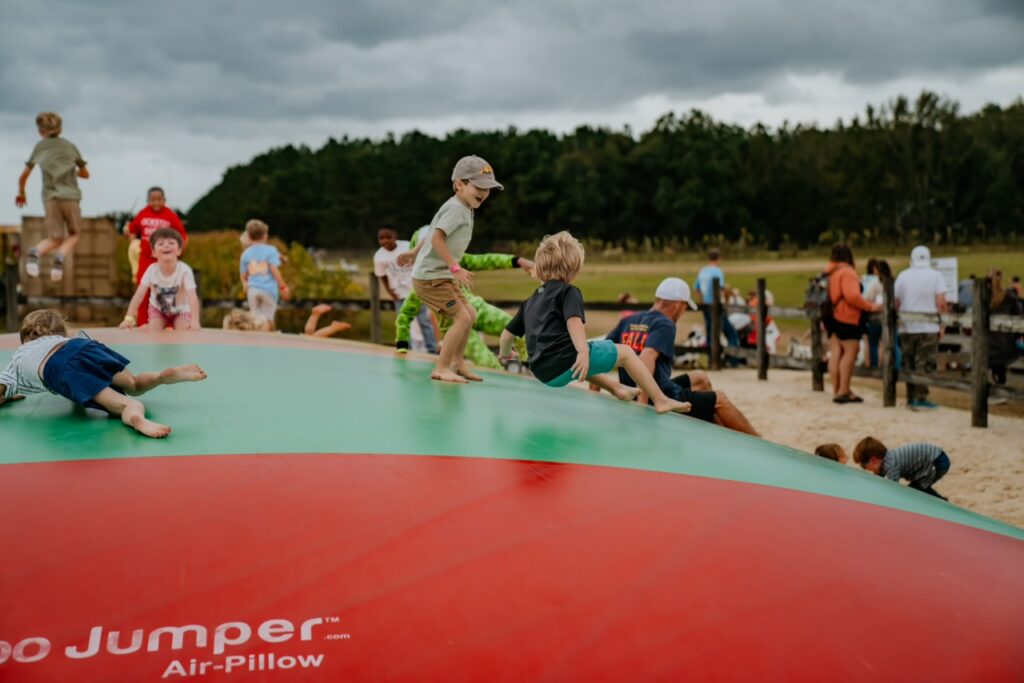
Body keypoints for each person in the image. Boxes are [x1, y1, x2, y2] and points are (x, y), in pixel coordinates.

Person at [499, 232, 691, 415]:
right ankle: (660, 400)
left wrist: (506, 354)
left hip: (541, 371)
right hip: (562, 364)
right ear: (574, 269)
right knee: (626, 353)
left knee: (576, 362)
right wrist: (582, 351)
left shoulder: (530, 301)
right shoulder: (568, 291)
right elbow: (573, 321)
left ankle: (616, 388)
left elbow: (507, 334)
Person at [0, 310, 207, 438]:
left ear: (26, 338)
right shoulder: (66, 339)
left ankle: (137, 419)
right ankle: (162, 376)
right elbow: (84, 362)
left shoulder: (20, 355)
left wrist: (6, 396)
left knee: (127, 404)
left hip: (60, 367)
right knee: (133, 384)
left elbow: (2, 385)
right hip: (84, 346)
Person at [604, 278, 759, 435]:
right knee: (720, 399)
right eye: (685, 307)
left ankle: (712, 431)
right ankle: (760, 444)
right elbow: (647, 357)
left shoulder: (628, 320)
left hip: (640, 390)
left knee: (700, 378)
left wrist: (594, 392)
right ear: (677, 305)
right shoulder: (665, 324)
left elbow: (602, 351)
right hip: (658, 394)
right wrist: (642, 405)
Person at [407, 155, 503, 383]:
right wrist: (454, 267)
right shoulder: (456, 209)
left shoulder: (463, 206)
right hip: (431, 279)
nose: (484, 193)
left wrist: (413, 252)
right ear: (459, 184)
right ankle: (441, 367)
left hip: (440, 276)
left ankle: (458, 363)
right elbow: (438, 239)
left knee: (470, 314)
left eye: (488, 189)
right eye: (479, 187)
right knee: (461, 318)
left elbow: (431, 230)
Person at [395, 225, 532, 369]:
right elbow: (405, 314)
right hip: (455, 324)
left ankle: (531, 364)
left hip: (477, 309)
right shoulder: (422, 284)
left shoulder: (455, 261)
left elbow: (485, 260)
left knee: (517, 331)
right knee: (488, 363)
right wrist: (402, 344)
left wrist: (517, 261)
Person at [16, 112, 89, 282]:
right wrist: (73, 174)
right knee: (74, 234)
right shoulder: (69, 146)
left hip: (50, 198)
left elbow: (23, 176)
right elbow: (85, 174)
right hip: (70, 196)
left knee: (55, 239)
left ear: (40, 131)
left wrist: (21, 193)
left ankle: (35, 253)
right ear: (60, 129)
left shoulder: (40, 147)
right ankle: (59, 259)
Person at [823, 243, 881, 403]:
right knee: (850, 352)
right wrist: (870, 306)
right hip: (847, 316)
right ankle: (843, 390)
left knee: (836, 353)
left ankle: (837, 388)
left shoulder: (829, 272)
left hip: (831, 316)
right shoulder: (847, 272)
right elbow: (853, 296)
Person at [126, 187, 188, 327]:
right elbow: (132, 230)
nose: (156, 203)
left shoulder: (170, 215)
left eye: (159, 199)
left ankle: (168, 324)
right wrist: (127, 231)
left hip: (164, 260)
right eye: (153, 200)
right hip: (146, 258)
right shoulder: (143, 213)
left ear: (164, 200)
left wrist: (179, 252)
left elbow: (182, 235)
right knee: (143, 288)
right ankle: (142, 322)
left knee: (167, 289)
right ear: (148, 201)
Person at [894, 246, 947, 410]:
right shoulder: (936, 276)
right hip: (928, 327)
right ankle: (921, 396)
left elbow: (896, 302)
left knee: (908, 361)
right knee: (924, 362)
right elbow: (941, 303)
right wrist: (942, 324)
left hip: (906, 327)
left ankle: (910, 396)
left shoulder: (902, 276)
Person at [120, 229, 200, 331]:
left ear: (179, 250)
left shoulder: (185, 271)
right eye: (161, 243)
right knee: (154, 332)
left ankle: (171, 327)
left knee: (184, 332)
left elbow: (192, 296)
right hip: (158, 310)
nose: (166, 246)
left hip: (181, 311)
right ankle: (148, 327)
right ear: (153, 252)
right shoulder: (151, 270)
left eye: (171, 243)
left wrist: (195, 321)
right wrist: (129, 318)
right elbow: (139, 294)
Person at [375, 226, 437, 353]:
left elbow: (421, 262)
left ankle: (432, 349)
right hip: (399, 293)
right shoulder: (379, 256)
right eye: (381, 238)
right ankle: (404, 348)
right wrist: (390, 291)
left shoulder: (406, 246)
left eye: (388, 237)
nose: (385, 241)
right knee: (402, 322)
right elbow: (382, 276)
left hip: (416, 291)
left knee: (424, 321)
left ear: (395, 236)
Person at [853, 436, 951, 500]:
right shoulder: (888, 459)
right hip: (935, 458)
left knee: (915, 491)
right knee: (919, 487)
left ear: (874, 460)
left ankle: (941, 503)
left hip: (936, 462)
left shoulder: (891, 466)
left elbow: (893, 490)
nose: (865, 469)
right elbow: (882, 475)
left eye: (864, 466)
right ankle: (941, 501)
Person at [240, 219, 289, 329]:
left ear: (249, 236)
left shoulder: (245, 254)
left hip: (252, 291)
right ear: (265, 236)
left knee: (254, 317)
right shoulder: (271, 250)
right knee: (268, 318)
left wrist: (244, 284)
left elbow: (243, 275)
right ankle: (267, 340)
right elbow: (274, 269)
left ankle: (253, 339)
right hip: (268, 290)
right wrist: (283, 287)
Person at [694, 248, 739, 349]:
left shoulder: (703, 271)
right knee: (731, 333)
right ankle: (733, 360)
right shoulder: (717, 271)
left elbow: (697, 289)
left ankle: (711, 359)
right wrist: (732, 293)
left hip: (706, 306)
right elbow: (721, 288)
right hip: (715, 307)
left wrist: (703, 303)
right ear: (718, 259)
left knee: (710, 333)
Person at [223, 304, 352, 338]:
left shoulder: (248, 329)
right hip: (277, 335)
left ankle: (317, 317)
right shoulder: (250, 321)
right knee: (309, 337)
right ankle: (319, 318)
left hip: (278, 337)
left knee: (309, 339)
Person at [987, 269, 1023, 385]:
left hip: (987, 343)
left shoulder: (984, 295)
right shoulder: (1009, 295)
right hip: (1004, 344)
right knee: (1000, 369)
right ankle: (1000, 385)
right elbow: (1018, 316)